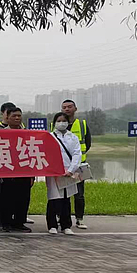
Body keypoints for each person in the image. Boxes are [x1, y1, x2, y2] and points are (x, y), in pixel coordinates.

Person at [47, 112, 82, 235]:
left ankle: (66, 225)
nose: (61, 123)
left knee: (66, 199)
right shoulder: (50, 137)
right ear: (54, 123)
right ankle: (52, 225)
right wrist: (54, 169)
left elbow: (77, 154)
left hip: (68, 172)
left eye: (64, 121)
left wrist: (71, 170)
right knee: (53, 198)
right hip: (54, 173)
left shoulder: (73, 137)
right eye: (59, 121)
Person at [0, 107, 32, 232]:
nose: (17, 118)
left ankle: (19, 222)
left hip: (24, 171)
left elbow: (32, 154)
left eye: (19, 115)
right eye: (14, 116)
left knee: (23, 199)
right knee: (7, 199)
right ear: (7, 117)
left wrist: (32, 175)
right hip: (7, 171)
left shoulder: (26, 133)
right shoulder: (1, 133)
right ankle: (6, 223)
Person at [61, 99, 91, 229]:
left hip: (79, 166)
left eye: (69, 107)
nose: (67, 109)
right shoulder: (56, 124)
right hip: (62, 166)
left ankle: (79, 219)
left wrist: (76, 158)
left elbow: (87, 143)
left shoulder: (82, 124)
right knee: (62, 194)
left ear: (75, 108)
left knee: (79, 194)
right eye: (64, 107)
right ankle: (61, 218)